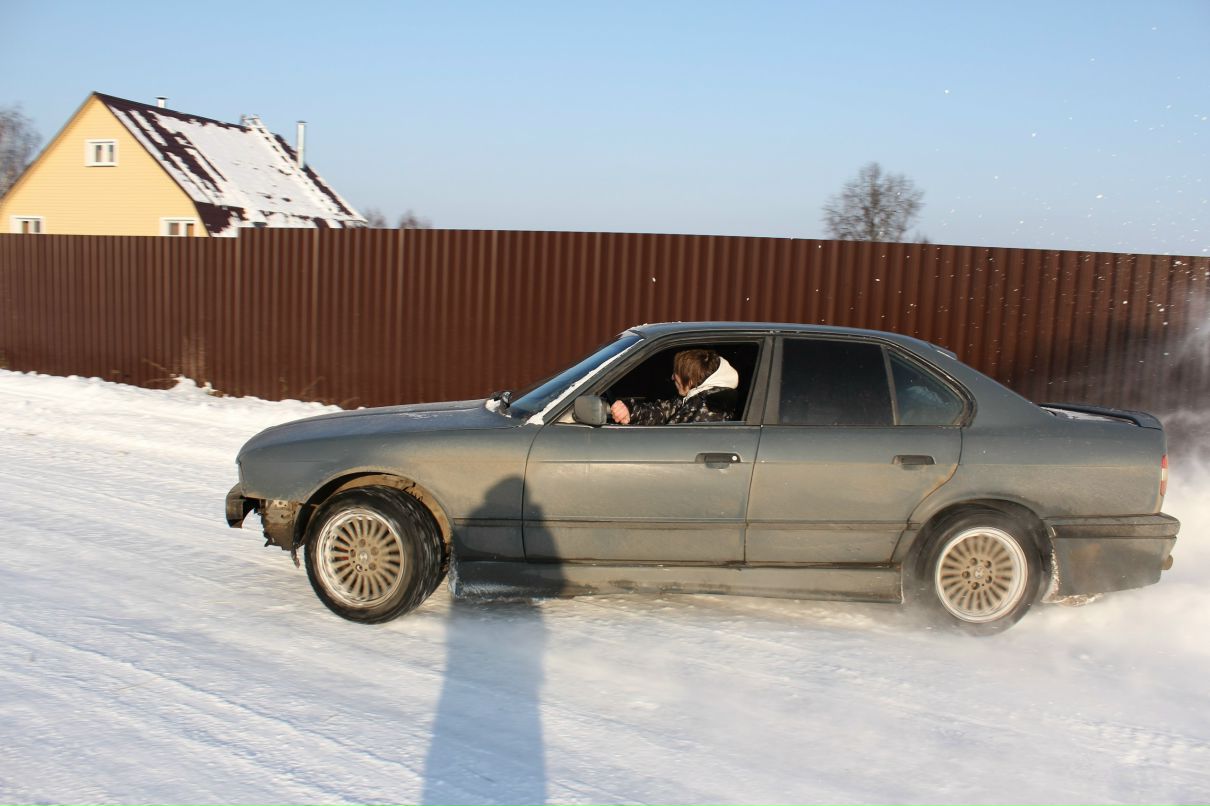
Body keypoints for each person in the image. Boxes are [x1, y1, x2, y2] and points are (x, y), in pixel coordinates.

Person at [610, 349, 739, 425]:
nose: (672, 377)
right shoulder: (695, 400)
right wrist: (629, 410)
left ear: (691, 380)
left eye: (677, 374)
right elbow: (661, 411)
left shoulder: (713, 409)